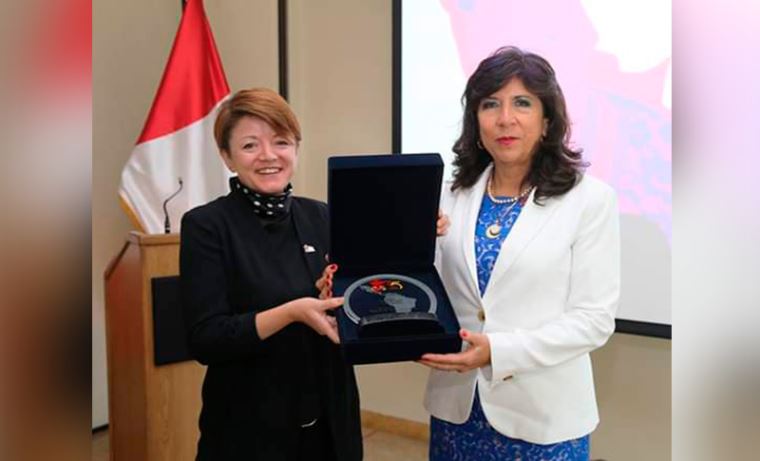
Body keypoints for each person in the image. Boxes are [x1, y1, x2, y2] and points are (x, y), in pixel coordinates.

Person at [418, 46, 621, 460]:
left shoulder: (590, 200)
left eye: (522, 103)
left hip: (543, 417)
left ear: (547, 121)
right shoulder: (449, 194)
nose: (505, 119)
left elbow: (593, 320)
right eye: (490, 104)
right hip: (458, 410)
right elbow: (429, 289)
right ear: (476, 120)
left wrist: (498, 351)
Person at [179, 88, 361, 460]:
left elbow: (345, 301)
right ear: (227, 156)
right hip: (250, 424)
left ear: (296, 148)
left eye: (281, 142)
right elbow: (206, 339)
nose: (268, 155)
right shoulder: (206, 225)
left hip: (330, 416)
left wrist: (333, 295)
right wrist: (292, 312)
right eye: (250, 145)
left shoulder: (321, 215)